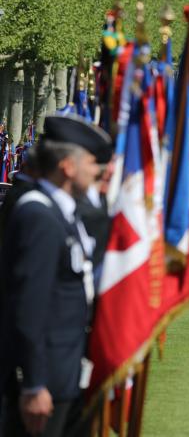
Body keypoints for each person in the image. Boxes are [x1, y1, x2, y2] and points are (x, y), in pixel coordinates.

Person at [0, 115, 112, 437]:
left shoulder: (63, 210)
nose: (98, 172)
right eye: (92, 163)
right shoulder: (39, 214)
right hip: (44, 378)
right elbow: (29, 306)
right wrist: (33, 383)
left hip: (65, 372)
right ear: (67, 166)